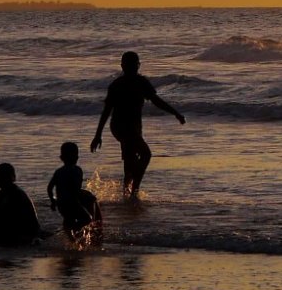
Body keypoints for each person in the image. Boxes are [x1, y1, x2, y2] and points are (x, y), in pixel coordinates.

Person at [91, 51, 184, 199]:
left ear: (138, 66)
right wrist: (97, 135)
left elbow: (156, 100)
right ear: (122, 66)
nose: (132, 68)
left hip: (134, 127)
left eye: (134, 65)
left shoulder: (141, 82)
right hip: (120, 127)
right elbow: (107, 111)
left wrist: (175, 113)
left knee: (129, 159)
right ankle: (134, 190)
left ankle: (126, 194)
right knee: (145, 154)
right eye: (129, 65)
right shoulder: (117, 85)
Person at [46, 141, 103, 249]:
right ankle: (75, 230)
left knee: (68, 219)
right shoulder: (77, 170)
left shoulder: (58, 172)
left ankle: (71, 239)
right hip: (72, 202)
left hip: (61, 204)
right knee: (87, 218)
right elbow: (75, 189)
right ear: (77, 157)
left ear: (61, 157)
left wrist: (53, 201)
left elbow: (49, 188)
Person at [0, 162, 44, 247]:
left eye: (4, 177)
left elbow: (12, 220)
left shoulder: (18, 195)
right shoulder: (1, 194)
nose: (0, 180)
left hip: (26, 233)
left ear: (13, 178)